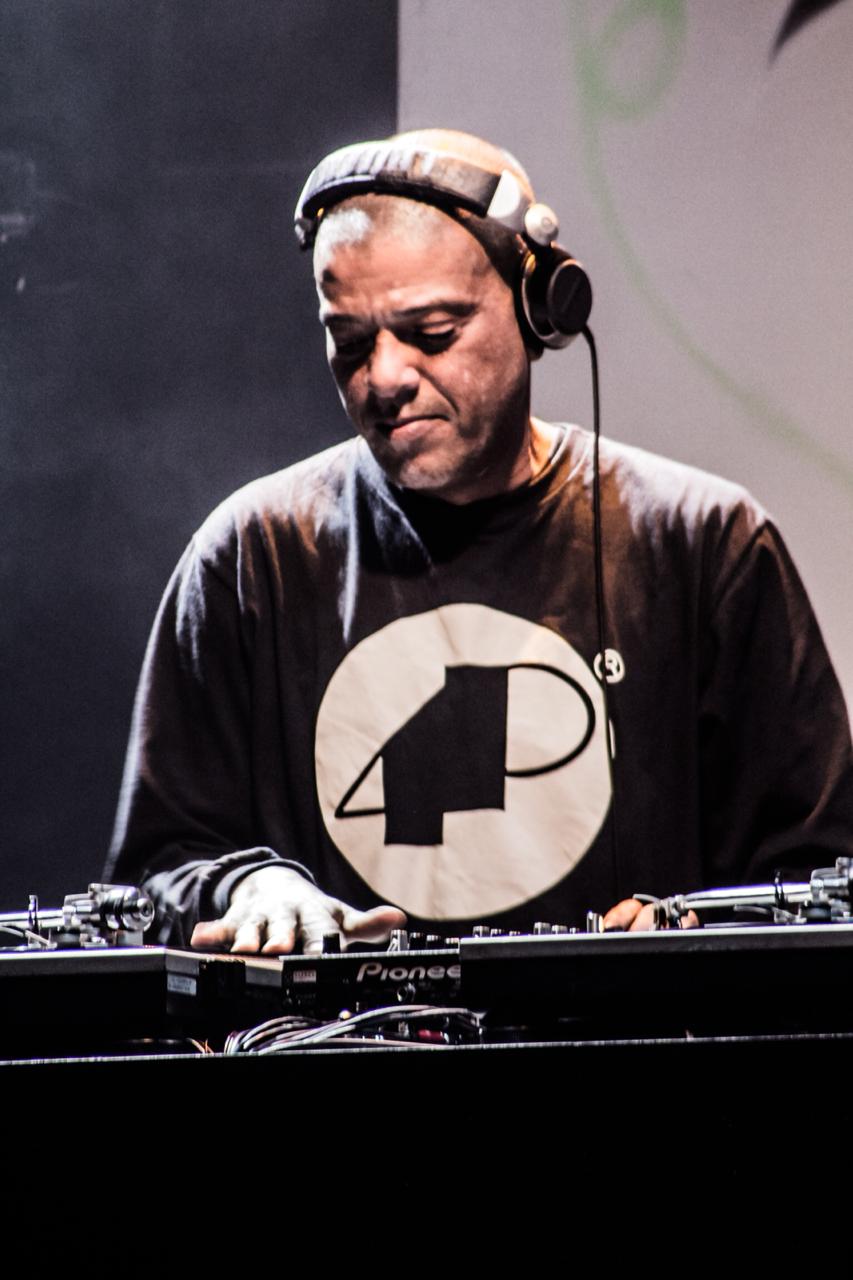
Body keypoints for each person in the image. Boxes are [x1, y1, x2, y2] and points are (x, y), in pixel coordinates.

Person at [105, 128, 853, 952]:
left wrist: (690, 927)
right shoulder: (250, 559)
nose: (384, 378)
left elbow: (818, 877)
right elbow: (154, 875)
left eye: (431, 332)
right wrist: (248, 885)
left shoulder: (704, 544)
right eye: (349, 342)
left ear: (538, 311)